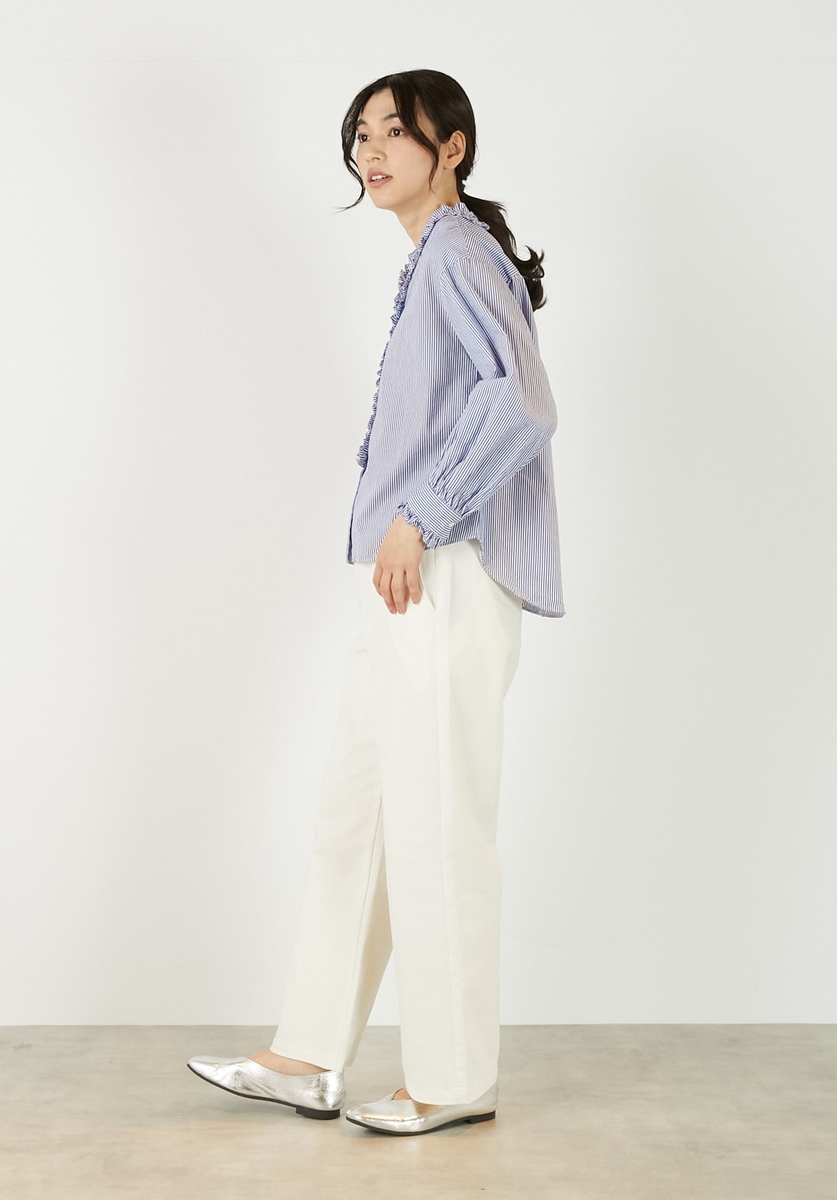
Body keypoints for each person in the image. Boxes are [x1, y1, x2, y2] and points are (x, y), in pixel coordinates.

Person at [188, 68, 563, 1136]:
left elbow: (522, 402)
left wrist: (422, 513)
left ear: (452, 147)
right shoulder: (431, 257)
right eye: (360, 134)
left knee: (437, 824)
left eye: (395, 131)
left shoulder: (457, 250)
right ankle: (309, 1054)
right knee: (356, 816)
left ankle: (453, 1078)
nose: (372, 151)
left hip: (444, 571)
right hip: (405, 581)